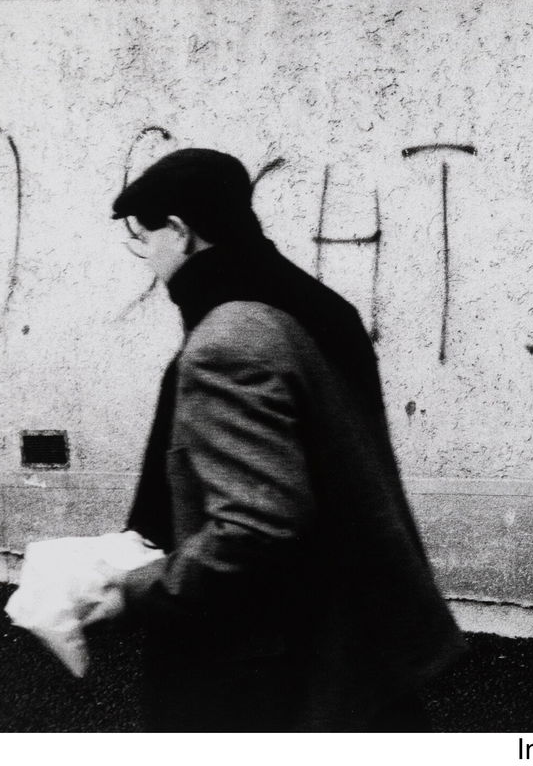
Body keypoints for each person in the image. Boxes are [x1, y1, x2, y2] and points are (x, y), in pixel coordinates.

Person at [108, 148, 465, 730]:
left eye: (143, 238)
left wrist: (135, 589)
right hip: (356, 632)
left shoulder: (230, 338)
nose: (145, 257)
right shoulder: (318, 306)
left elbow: (255, 525)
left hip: (272, 666)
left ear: (179, 230)